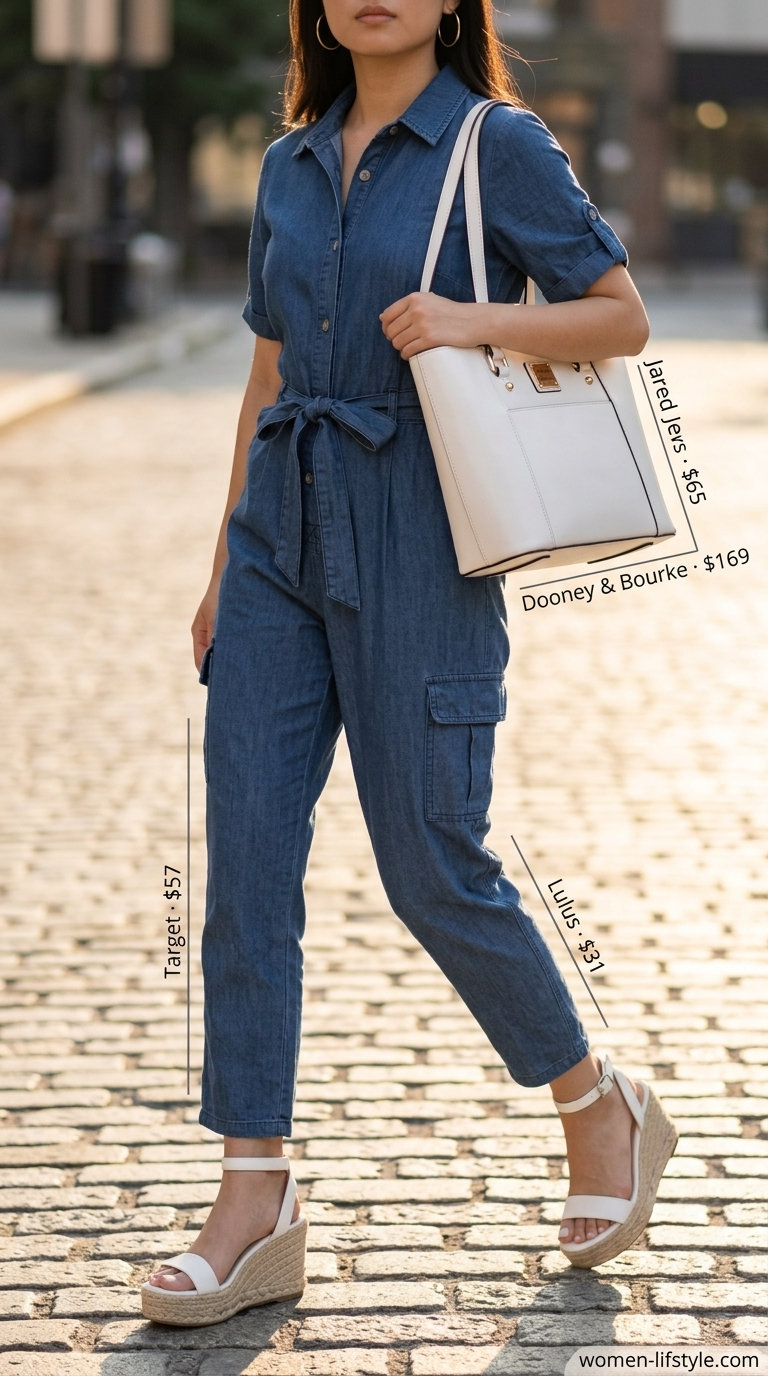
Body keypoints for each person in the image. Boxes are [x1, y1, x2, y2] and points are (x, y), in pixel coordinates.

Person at [141, 0, 678, 1327]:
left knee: (435, 861)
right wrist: (224, 565)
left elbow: (619, 317)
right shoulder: (291, 161)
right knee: (247, 860)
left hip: (422, 540)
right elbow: (268, 367)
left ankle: (593, 1101)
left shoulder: (495, 146)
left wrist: (465, 320)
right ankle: (254, 1193)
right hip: (277, 543)